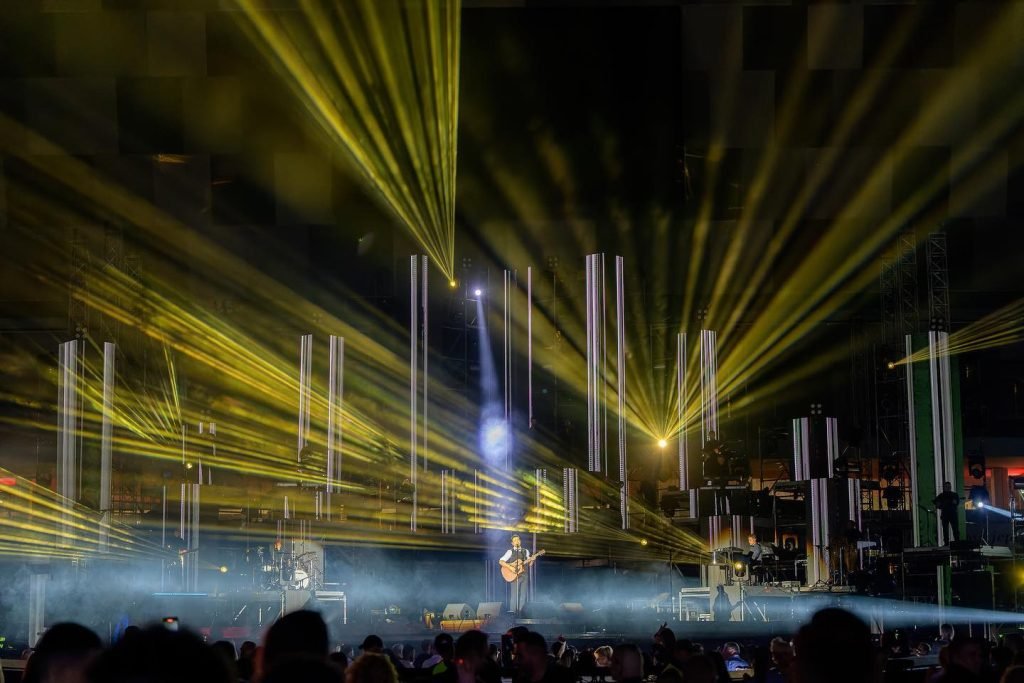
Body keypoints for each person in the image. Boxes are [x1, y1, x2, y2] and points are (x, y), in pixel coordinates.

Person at [499, 534, 532, 615]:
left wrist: (532, 559)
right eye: (515, 540)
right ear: (512, 543)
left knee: (523, 595)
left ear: (520, 541)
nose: (517, 541)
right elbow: (501, 561)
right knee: (514, 596)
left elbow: (530, 564)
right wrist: (510, 567)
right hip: (514, 575)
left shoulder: (526, 551)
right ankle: (512, 614)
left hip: (524, 575)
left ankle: (521, 614)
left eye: (518, 539)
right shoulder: (510, 551)